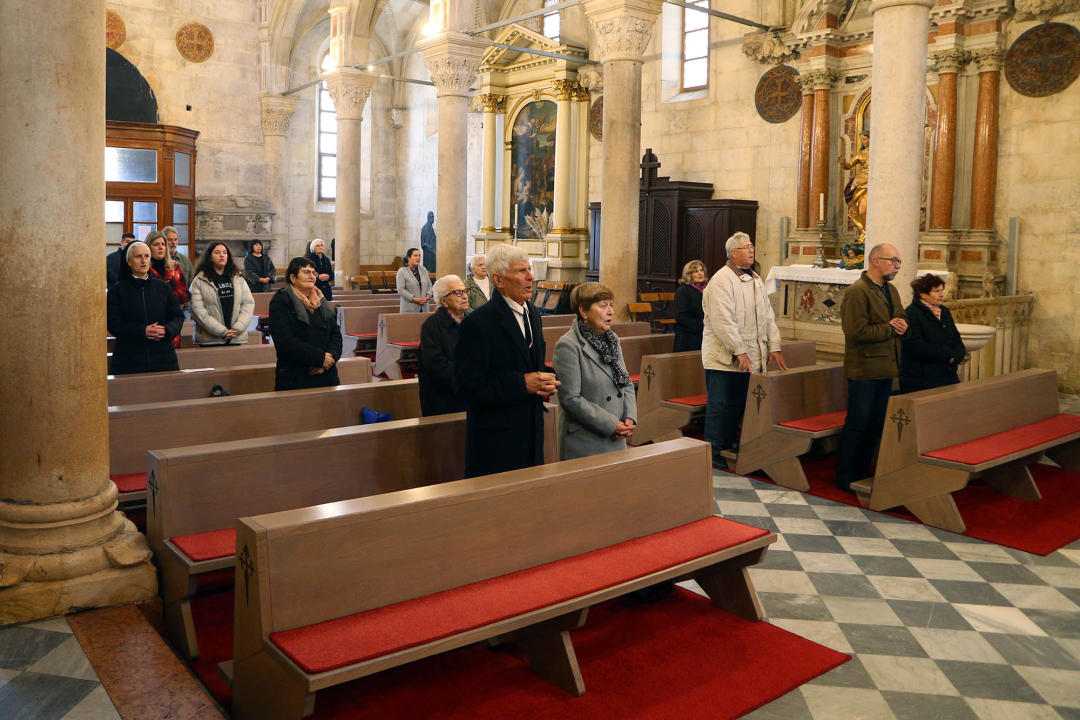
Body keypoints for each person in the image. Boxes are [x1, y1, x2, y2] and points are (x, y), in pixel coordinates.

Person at [454, 243, 559, 478]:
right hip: (496, 442)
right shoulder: (478, 323)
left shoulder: (532, 312)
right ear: (498, 280)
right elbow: (466, 387)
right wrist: (522, 384)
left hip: (531, 432)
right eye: (521, 271)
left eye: (529, 269)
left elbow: (530, 364)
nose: (531, 276)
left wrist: (546, 378)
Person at [702, 233, 786, 463]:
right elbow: (723, 321)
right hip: (723, 357)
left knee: (737, 404)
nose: (751, 250)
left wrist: (774, 347)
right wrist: (740, 351)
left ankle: (729, 442)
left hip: (748, 356)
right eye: (745, 247)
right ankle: (714, 450)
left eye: (751, 246)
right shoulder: (722, 280)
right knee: (719, 405)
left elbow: (768, 316)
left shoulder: (756, 279)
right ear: (733, 253)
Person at [836, 243, 910, 493]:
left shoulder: (890, 290)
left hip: (886, 367)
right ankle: (846, 475)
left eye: (899, 261)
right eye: (894, 261)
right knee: (858, 422)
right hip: (865, 368)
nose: (897, 266)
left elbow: (901, 319)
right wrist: (891, 328)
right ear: (876, 261)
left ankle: (863, 471)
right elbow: (855, 331)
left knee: (875, 422)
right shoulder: (858, 292)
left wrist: (903, 328)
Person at [552, 282, 638, 460]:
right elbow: (570, 399)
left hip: (617, 434)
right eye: (603, 305)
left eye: (611, 304)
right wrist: (610, 424)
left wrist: (630, 416)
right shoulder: (568, 345)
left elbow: (626, 382)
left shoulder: (612, 340)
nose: (611, 311)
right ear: (584, 311)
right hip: (586, 440)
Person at [107, 241, 184, 375]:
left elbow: (177, 316)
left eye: (147, 256)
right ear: (129, 261)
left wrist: (166, 330)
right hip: (130, 358)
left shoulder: (162, 287)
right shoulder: (117, 290)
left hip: (163, 356)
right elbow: (113, 323)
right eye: (138, 257)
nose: (143, 261)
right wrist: (143, 331)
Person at [268, 257, 343, 391]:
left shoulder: (320, 300)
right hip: (296, 375)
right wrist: (319, 359)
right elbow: (285, 341)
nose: (312, 276)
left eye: (314, 273)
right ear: (293, 277)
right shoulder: (281, 302)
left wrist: (330, 358)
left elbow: (335, 333)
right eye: (306, 272)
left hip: (327, 374)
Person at [900, 273, 965, 394]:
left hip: (947, 375)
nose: (941, 294)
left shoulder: (944, 311)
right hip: (923, 380)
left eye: (942, 290)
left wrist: (957, 356)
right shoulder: (911, 313)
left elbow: (956, 339)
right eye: (936, 291)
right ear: (923, 294)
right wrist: (949, 356)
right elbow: (917, 346)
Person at [418, 275, 470, 417]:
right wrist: (467, 377)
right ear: (444, 301)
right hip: (442, 398)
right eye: (458, 293)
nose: (464, 296)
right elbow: (435, 364)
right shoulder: (432, 326)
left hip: (471, 394)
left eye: (465, 291)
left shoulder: (472, 322)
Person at [189, 241, 255, 346]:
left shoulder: (237, 278)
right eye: (217, 252)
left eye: (224, 252)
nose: (222, 255)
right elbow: (198, 311)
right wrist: (222, 331)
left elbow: (248, 303)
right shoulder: (200, 280)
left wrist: (237, 328)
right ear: (210, 257)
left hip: (235, 336)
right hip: (210, 338)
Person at [145, 231, 190, 344]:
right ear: (148, 247)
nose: (161, 247)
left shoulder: (174, 266)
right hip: (150, 319)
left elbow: (184, 291)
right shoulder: (144, 268)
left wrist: (170, 298)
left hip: (171, 317)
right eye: (156, 244)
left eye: (163, 244)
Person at [674, 260, 707, 352]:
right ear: (689, 274)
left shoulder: (708, 289)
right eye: (695, 271)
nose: (700, 273)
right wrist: (702, 324)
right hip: (688, 337)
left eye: (701, 270)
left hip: (706, 335)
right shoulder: (683, 291)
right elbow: (680, 316)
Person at [396, 247, 432, 313]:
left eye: (419, 256)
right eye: (415, 255)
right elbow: (401, 290)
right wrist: (414, 299)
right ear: (408, 257)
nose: (418, 258)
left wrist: (427, 296)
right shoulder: (402, 271)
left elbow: (429, 286)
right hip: (409, 309)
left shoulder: (423, 269)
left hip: (424, 308)